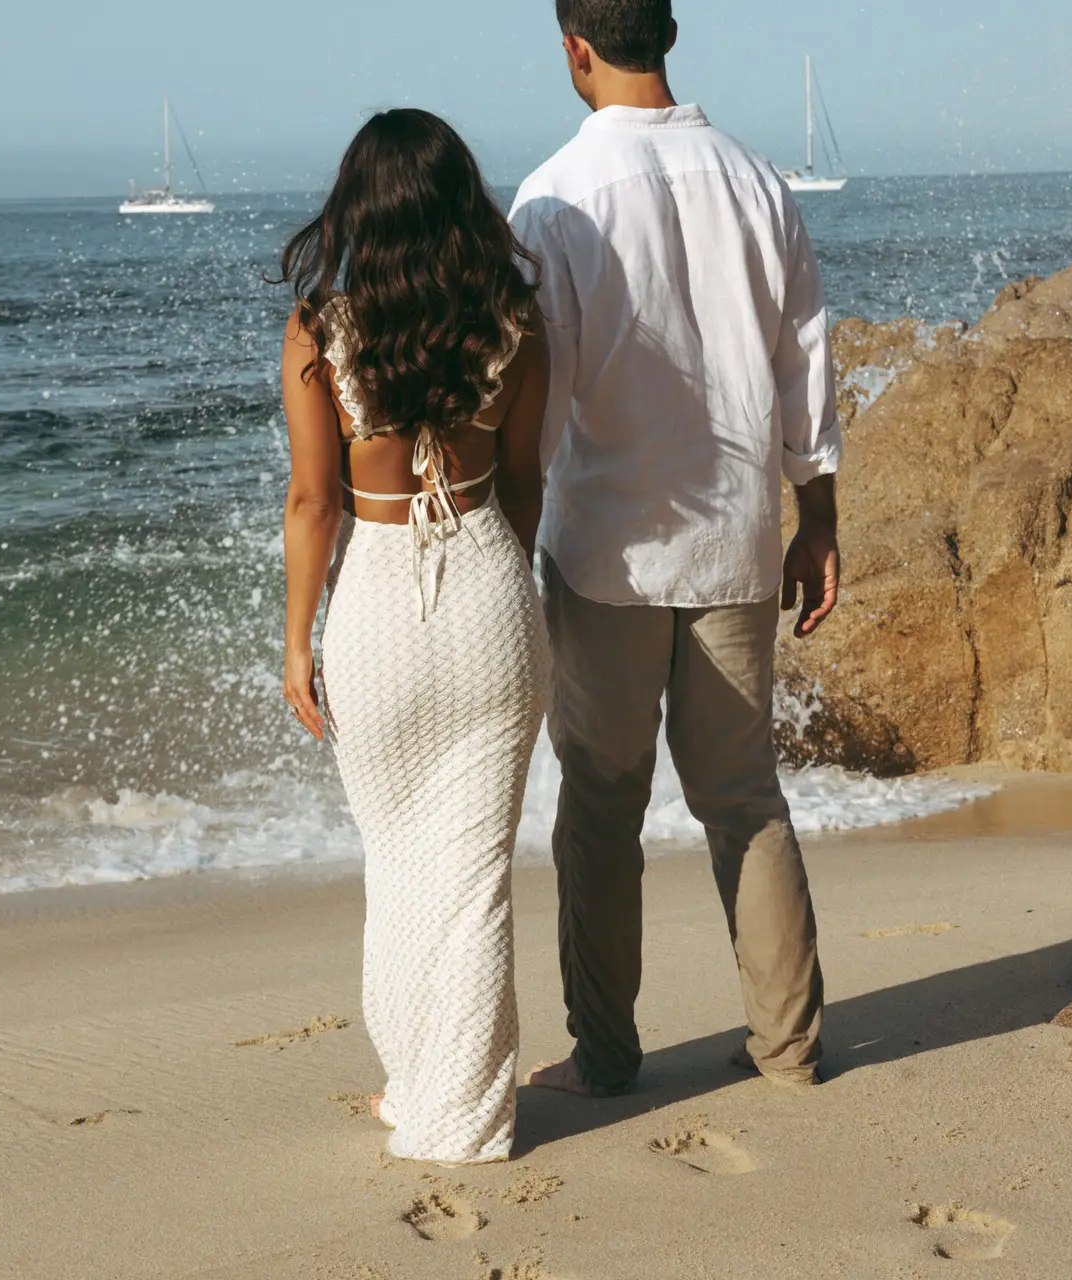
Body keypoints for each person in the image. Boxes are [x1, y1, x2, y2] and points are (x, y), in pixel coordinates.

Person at [509, 0, 842, 1097]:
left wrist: (508, 538)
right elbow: (804, 361)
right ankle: (789, 1050)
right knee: (744, 797)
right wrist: (819, 516)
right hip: (736, 539)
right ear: (670, 33)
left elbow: (539, 403)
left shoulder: (553, 197)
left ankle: (606, 1056)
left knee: (602, 808)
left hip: (606, 553)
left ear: (576, 49)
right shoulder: (757, 181)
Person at [276, 109, 553, 1164]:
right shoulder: (515, 322)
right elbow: (523, 485)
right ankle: (462, 1108)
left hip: (377, 611)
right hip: (488, 591)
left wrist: (297, 641)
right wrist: (511, 596)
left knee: (395, 863)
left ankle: (420, 1084)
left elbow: (314, 503)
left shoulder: (320, 330)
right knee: (475, 875)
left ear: (360, 210)